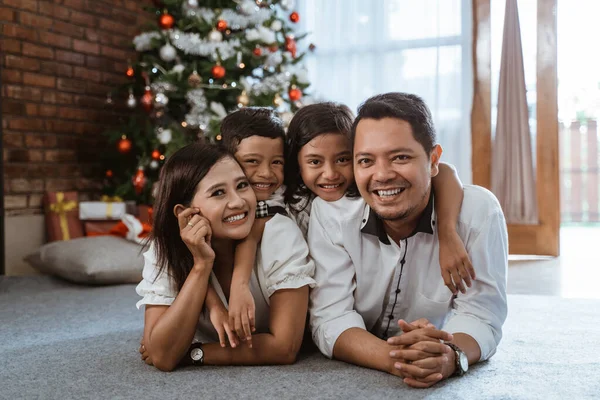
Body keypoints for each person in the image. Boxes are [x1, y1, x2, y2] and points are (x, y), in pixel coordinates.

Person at [308, 92, 508, 388]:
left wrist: (448, 356)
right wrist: (396, 359)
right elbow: (330, 317)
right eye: (366, 160)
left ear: (433, 160)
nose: (382, 174)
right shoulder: (332, 214)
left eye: (400, 157)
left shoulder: (478, 214)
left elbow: (481, 314)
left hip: (439, 341)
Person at [135, 143, 315, 371]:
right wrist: (201, 265)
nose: (238, 201)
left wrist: (194, 352)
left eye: (242, 186)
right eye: (218, 192)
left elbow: (284, 347)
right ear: (186, 213)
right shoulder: (165, 248)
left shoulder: (279, 234)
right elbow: (162, 356)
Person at [284, 102, 475, 294]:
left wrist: (447, 232)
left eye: (343, 159)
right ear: (297, 163)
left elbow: (443, 172)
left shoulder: (371, 190)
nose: (330, 174)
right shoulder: (294, 205)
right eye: (315, 162)